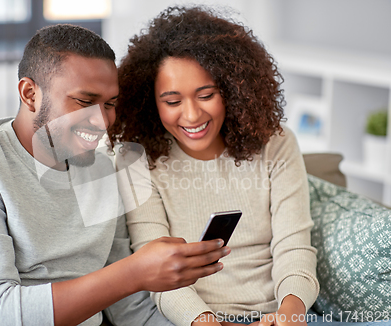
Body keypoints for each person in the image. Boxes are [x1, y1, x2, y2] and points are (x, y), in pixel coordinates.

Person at [0, 24, 231, 326]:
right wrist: (133, 273)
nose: (102, 120)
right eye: (85, 101)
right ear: (30, 94)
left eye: (110, 104)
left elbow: (129, 308)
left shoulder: (103, 170)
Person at [109, 6, 320, 326]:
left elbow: (294, 247)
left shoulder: (275, 143)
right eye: (172, 101)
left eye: (206, 95)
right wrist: (204, 320)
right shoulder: (135, 161)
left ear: (232, 89)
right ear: (150, 101)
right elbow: (156, 271)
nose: (192, 116)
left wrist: (290, 313)